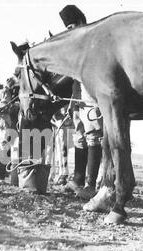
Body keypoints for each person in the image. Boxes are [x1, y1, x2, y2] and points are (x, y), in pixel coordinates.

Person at [59, 5, 103, 200]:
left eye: (71, 26)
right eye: (67, 28)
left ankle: (91, 185)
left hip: (92, 95)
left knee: (93, 136)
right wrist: (71, 103)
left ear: (80, 22)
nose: (69, 31)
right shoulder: (75, 44)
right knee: (78, 136)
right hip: (78, 97)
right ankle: (77, 180)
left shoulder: (94, 39)